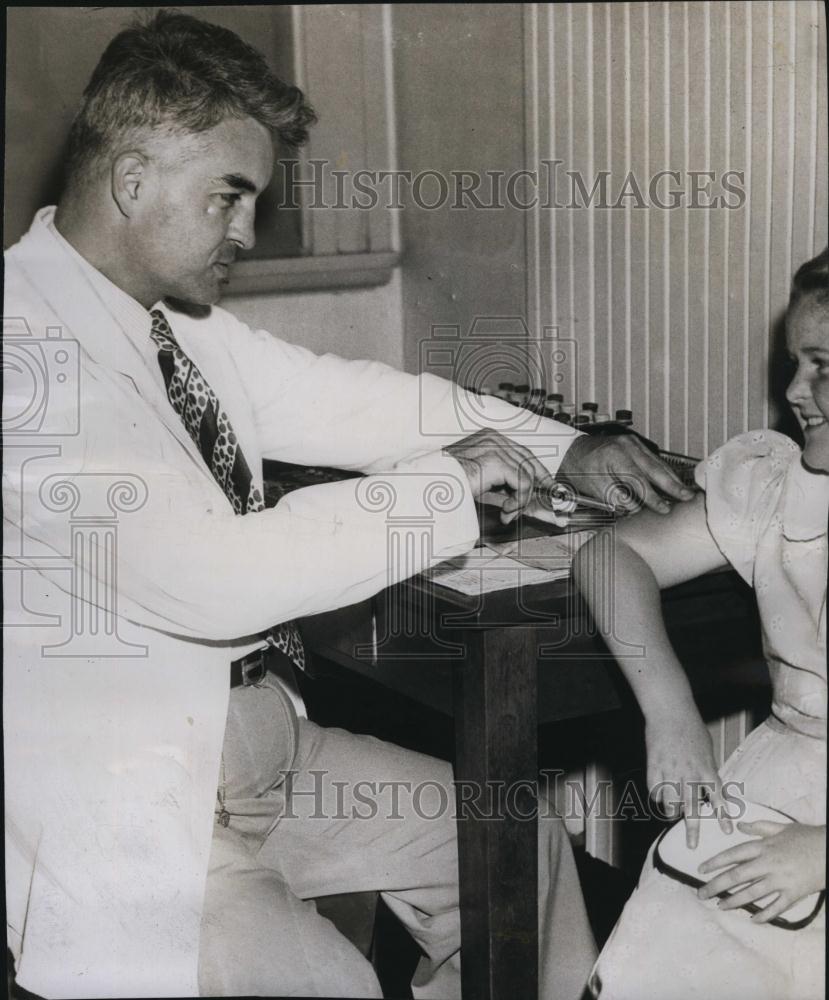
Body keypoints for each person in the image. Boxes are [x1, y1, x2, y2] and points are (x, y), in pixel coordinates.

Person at [3, 12, 693, 998]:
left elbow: (360, 402)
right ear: (132, 180)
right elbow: (208, 577)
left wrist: (562, 446)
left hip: (259, 752)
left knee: (516, 838)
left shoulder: (170, 326)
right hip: (131, 801)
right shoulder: (23, 351)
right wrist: (445, 486)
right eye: (230, 196)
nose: (246, 233)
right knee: (334, 983)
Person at [573, 248, 828, 1000]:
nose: (794, 391)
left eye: (822, 366)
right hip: (787, 776)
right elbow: (609, 557)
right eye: (793, 363)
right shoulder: (775, 487)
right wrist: (669, 709)